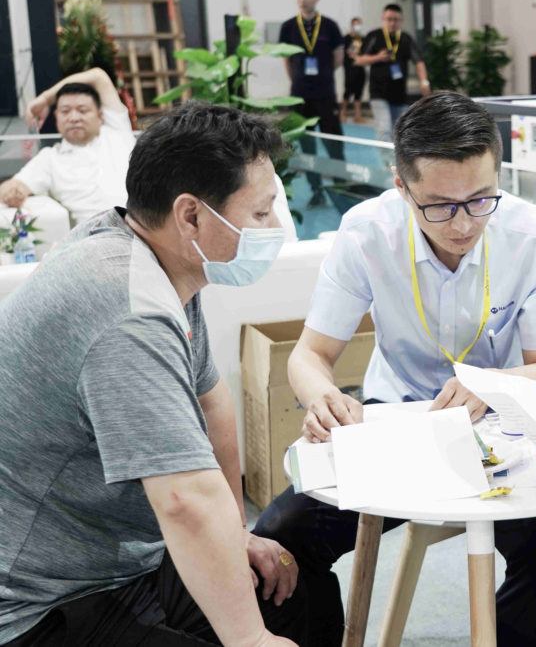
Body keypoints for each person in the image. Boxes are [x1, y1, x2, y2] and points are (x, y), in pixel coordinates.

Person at [253, 91, 536, 646]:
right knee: (279, 537)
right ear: (401, 187)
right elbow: (311, 355)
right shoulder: (366, 232)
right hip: (396, 418)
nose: (463, 224)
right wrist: (322, 398)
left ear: (498, 176)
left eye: (480, 199)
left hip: (499, 426)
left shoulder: (535, 236)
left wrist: (493, 386)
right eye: (440, 205)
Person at [0, 102, 309, 646]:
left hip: (118, 554)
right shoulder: (127, 311)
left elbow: (212, 399)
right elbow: (184, 499)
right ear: (190, 216)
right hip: (42, 600)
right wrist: (250, 640)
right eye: (261, 214)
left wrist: (236, 534)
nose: (276, 229)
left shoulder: (155, 260)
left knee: (297, 597)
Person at [0, 67, 134, 224]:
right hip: (94, 234)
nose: (74, 118)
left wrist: (45, 99)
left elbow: (98, 76)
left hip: (144, 226)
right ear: (56, 117)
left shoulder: (117, 131)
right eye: (65, 111)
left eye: (82, 110)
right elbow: (14, 186)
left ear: (100, 115)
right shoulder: (50, 158)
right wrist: (12, 193)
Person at [278, 0, 346, 202]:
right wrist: (298, 80)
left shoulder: (330, 26)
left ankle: (341, 186)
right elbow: (286, 60)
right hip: (300, 95)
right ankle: (316, 190)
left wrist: (322, 75)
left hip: (325, 93)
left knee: (333, 141)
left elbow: (338, 58)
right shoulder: (288, 27)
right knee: (307, 143)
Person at [355, 3, 431, 142]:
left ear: (401, 21)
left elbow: (419, 61)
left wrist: (424, 81)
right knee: (384, 129)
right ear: (383, 19)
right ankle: (386, 157)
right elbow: (359, 60)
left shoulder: (405, 38)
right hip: (378, 93)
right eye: (389, 19)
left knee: (402, 131)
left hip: (399, 94)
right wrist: (378, 57)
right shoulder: (374, 36)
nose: (392, 23)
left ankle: (397, 156)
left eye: (396, 20)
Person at [341, 15, 367, 123]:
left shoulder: (363, 39)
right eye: (356, 24)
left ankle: (358, 115)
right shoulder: (346, 38)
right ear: (352, 25)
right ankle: (343, 113)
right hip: (349, 68)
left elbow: (366, 53)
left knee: (358, 91)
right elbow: (344, 53)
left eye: (359, 24)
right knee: (348, 91)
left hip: (360, 68)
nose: (357, 26)